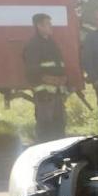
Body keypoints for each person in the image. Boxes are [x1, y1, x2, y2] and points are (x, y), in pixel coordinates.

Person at [23, 13, 68, 142]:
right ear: (39, 26)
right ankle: (44, 150)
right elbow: (31, 71)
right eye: (48, 24)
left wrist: (63, 83)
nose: (51, 26)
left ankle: (60, 150)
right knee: (45, 127)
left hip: (57, 92)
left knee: (59, 124)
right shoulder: (33, 45)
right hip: (44, 95)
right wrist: (41, 89)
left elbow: (58, 66)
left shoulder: (51, 43)